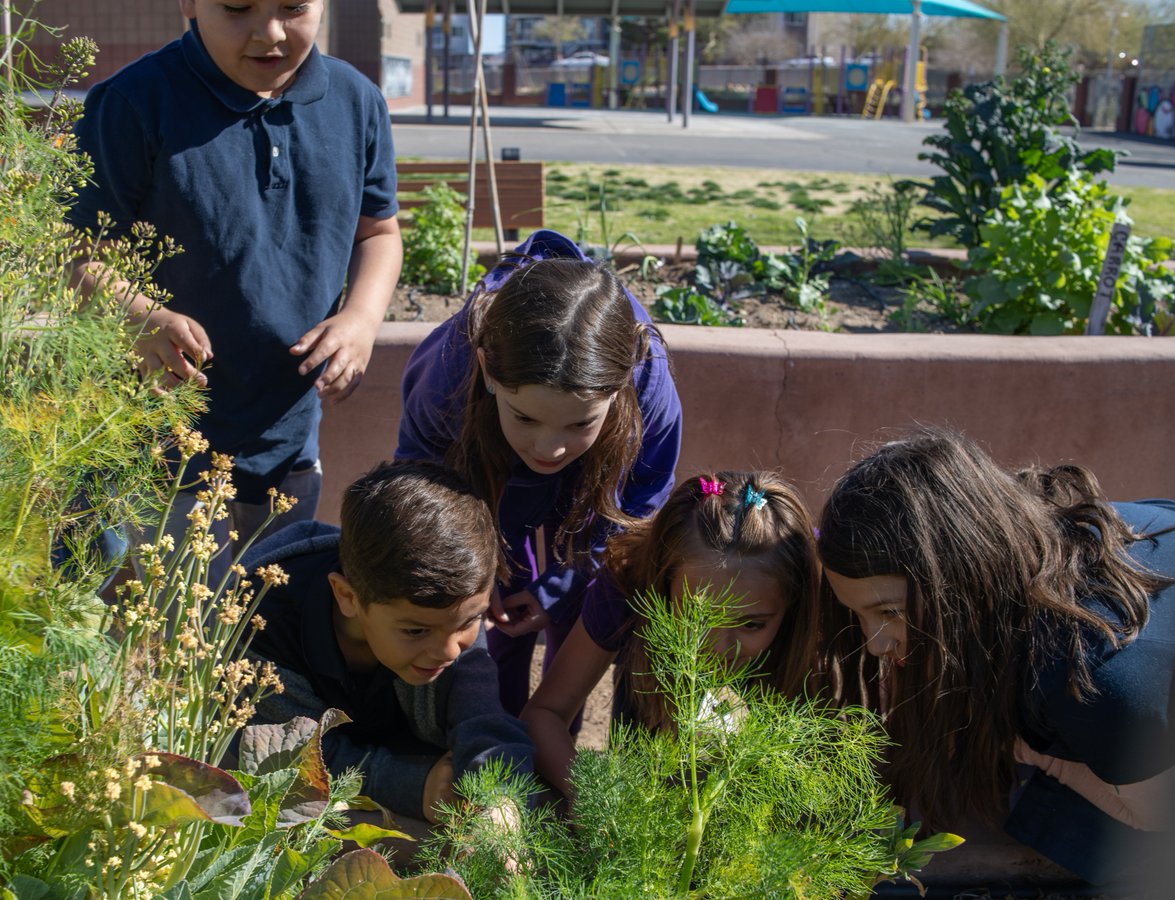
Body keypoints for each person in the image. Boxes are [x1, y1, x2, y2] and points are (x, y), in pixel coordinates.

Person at [68, 0, 403, 550]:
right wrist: (137, 314)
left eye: (293, 7)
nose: (269, 32)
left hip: (290, 433)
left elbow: (379, 234)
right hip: (164, 439)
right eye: (237, 7)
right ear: (190, 4)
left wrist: (362, 319)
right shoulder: (134, 102)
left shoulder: (356, 100)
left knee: (271, 618)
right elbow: (77, 254)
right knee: (178, 621)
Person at [815, 427, 1175, 887]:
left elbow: (1164, 814)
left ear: (966, 570)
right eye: (857, 613)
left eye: (891, 612)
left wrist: (1034, 752)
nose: (875, 644)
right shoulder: (1041, 530)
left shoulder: (1089, 676)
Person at [394, 229, 682, 725]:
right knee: (496, 628)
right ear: (487, 369)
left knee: (581, 609)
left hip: (594, 488)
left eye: (579, 422)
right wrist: (480, 575)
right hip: (484, 476)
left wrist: (564, 584)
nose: (549, 448)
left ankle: (555, 742)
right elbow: (423, 491)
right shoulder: (447, 373)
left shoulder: (649, 380)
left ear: (621, 386)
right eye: (525, 417)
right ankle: (490, 739)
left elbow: (640, 502)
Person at [242, 460, 535, 828]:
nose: (450, 651)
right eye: (415, 632)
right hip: (287, 775)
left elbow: (483, 718)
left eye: (470, 622)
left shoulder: (447, 614)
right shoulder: (264, 629)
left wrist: (501, 798)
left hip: (393, 752)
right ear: (347, 597)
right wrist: (416, 786)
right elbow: (292, 757)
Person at [521, 471, 822, 799]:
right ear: (661, 585)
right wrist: (598, 799)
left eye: (751, 624)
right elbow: (543, 714)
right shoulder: (627, 583)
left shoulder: (821, 589)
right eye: (696, 618)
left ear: (794, 602)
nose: (718, 648)